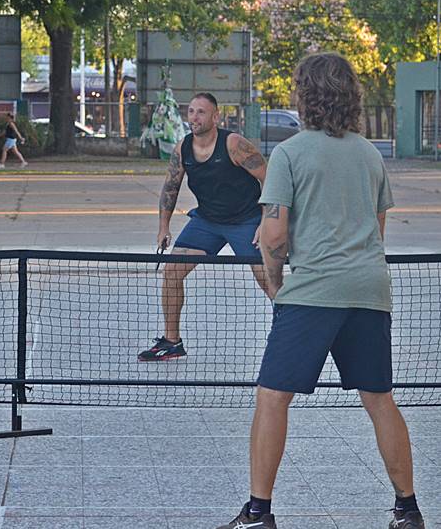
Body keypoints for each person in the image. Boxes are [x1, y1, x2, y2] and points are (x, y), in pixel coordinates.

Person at [218, 53, 426, 529]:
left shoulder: (290, 154)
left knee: (273, 397)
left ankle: (258, 513)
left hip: (312, 292)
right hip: (369, 289)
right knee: (380, 399)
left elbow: (272, 237)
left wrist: (276, 286)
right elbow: (376, 227)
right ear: (350, 96)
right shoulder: (371, 154)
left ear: (304, 95)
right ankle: (408, 509)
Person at [139, 92, 269, 361]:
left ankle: (289, 334)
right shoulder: (182, 148)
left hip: (246, 219)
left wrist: (267, 221)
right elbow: (171, 187)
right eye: (191, 112)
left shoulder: (234, 144)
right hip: (207, 221)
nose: (194, 117)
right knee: (172, 272)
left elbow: (269, 178)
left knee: (268, 279)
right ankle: (172, 342)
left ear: (215, 116)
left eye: (201, 112)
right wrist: (163, 226)